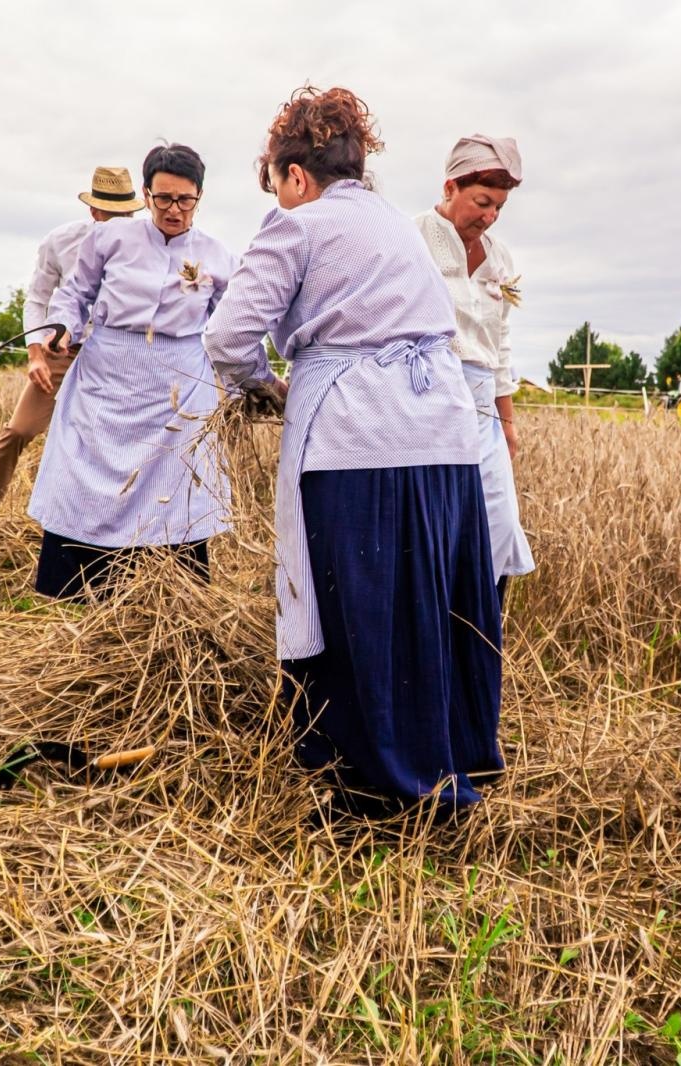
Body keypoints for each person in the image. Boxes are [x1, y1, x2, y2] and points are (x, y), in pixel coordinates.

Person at [204, 86, 502, 813]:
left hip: (358, 435)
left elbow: (228, 339)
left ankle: (375, 781)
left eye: (277, 184)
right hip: (445, 432)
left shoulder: (297, 226)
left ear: (294, 174)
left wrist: (264, 386)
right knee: (429, 597)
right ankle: (454, 754)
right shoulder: (395, 223)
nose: (279, 198)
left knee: (360, 605)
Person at [29, 144, 236, 597]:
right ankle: (84, 590)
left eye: (185, 200)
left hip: (179, 383)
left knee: (172, 484)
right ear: (145, 194)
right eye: (163, 198)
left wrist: (250, 382)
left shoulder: (217, 256)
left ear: (199, 196)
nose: (174, 210)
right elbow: (74, 295)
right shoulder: (110, 240)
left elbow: (230, 326)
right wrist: (60, 328)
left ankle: (169, 594)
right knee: (90, 478)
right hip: (107, 374)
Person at [0, 167, 144, 510]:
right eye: (109, 214)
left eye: (124, 215)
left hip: (118, 356)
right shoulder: (61, 241)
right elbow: (37, 299)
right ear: (93, 211)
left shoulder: (147, 248)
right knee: (20, 430)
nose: (117, 222)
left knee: (107, 443)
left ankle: (105, 517)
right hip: (64, 351)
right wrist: (36, 355)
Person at [415, 135, 535, 616]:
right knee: (438, 525)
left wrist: (508, 423)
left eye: (499, 207)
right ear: (450, 187)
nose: (490, 216)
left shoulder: (499, 258)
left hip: (483, 406)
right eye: (483, 202)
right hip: (427, 401)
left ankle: (481, 634)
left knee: (498, 523)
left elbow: (499, 345)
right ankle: (434, 631)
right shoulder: (413, 239)